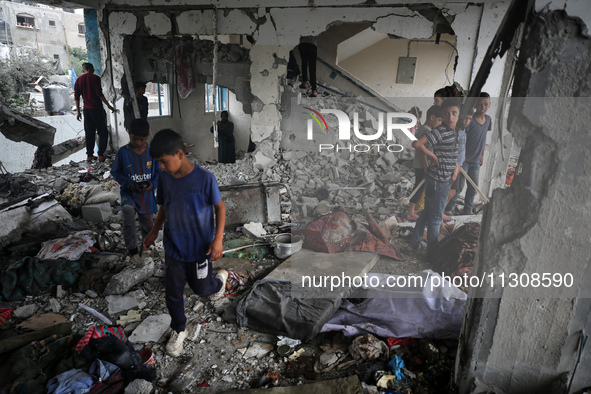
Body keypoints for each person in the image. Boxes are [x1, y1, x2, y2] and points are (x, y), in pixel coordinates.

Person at [143, 129, 228, 357]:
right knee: (173, 291)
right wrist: (153, 232)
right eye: (158, 162)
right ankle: (179, 329)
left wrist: (217, 240)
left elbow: (220, 208)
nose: (160, 167)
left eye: (163, 161)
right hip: (174, 248)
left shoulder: (205, 179)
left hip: (200, 249)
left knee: (202, 289)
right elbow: (164, 207)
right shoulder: (165, 178)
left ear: (180, 154)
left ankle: (219, 282)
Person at [407, 98, 460, 252]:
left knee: (426, 214)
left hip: (439, 178)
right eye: (447, 114)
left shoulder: (453, 132)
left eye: (454, 113)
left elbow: (451, 155)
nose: (450, 117)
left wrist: (455, 169)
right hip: (439, 180)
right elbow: (417, 144)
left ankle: (413, 244)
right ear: (442, 115)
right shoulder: (440, 131)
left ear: (458, 115)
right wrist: (434, 157)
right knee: (436, 218)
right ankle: (432, 251)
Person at [111, 119, 160, 268]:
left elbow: (159, 173)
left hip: (146, 194)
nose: (138, 142)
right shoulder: (123, 152)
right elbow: (115, 172)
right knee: (127, 214)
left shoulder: (153, 152)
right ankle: (132, 250)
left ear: (147, 137)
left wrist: (152, 185)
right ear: (129, 134)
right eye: (134, 138)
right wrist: (128, 183)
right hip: (129, 192)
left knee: (147, 222)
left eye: (142, 139)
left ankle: (146, 247)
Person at [74, 62, 116, 162]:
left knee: (89, 133)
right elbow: (99, 94)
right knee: (103, 132)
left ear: (83, 70)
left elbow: (76, 96)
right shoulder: (95, 78)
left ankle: (89, 155)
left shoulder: (79, 80)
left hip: (86, 110)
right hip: (97, 109)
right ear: (92, 69)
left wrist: (78, 112)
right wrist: (109, 106)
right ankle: (101, 154)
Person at [407, 105, 442, 221]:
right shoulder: (427, 130)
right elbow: (422, 152)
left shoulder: (423, 128)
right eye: (439, 120)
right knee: (419, 187)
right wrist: (426, 166)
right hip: (422, 165)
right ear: (432, 117)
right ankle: (410, 212)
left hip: (419, 164)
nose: (439, 123)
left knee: (419, 186)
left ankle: (412, 210)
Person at [463, 93, 491, 214]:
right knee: (456, 187)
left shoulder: (488, 120)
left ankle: (467, 210)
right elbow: (463, 138)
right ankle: (448, 209)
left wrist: (482, 155)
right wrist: (461, 155)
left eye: (485, 104)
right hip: (464, 159)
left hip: (475, 161)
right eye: (480, 105)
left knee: (473, 188)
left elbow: (484, 137)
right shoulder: (470, 120)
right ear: (475, 105)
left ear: (489, 105)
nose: (483, 107)